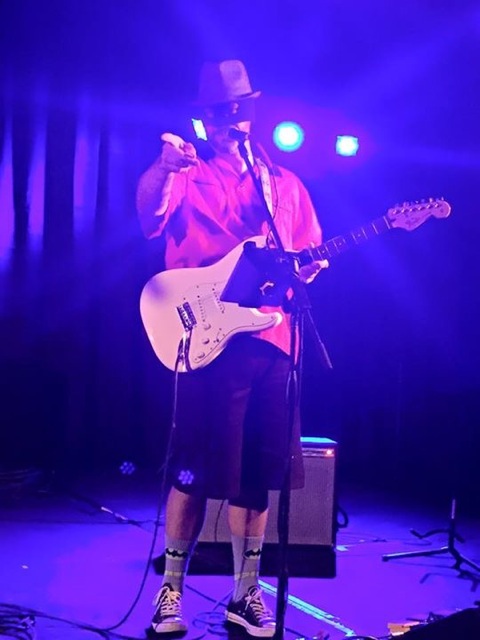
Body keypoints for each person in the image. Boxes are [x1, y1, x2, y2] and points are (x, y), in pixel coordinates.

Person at [136, 59, 327, 638]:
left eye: (240, 111)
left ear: (252, 112)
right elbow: (150, 214)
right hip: (204, 341)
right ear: (205, 118)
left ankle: (246, 594)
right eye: (220, 113)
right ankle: (170, 589)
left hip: (271, 341)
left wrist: (311, 268)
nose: (231, 122)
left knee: (256, 478)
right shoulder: (188, 173)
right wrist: (165, 169)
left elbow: (307, 256)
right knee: (193, 473)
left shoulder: (285, 185)